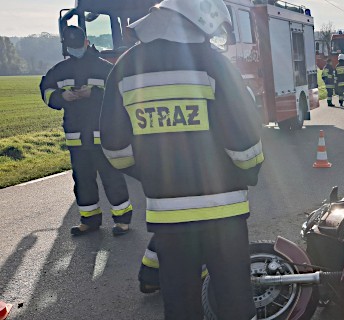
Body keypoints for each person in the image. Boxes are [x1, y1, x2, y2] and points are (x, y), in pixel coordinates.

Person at [99, 0, 264, 318]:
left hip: (168, 217)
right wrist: (248, 171)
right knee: (234, 300)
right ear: (198, 22)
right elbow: (244, 141)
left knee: (179, 303)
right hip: (224, 212)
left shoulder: (125, 66)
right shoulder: (214, 64)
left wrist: (150, 173)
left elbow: (114, 148)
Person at [39, 26, 133, 237]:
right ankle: (89, 220)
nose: (75, 48)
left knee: (111, 176)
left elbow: (119, 95)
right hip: (76, 137)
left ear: (87, 42)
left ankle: (122, 220)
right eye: (71, 46)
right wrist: (61, 97)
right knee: (82, 179)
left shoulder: (105, 68)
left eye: (77, 45)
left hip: (102, 135)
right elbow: (46, 90)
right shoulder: (59, 70)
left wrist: (95, 92)